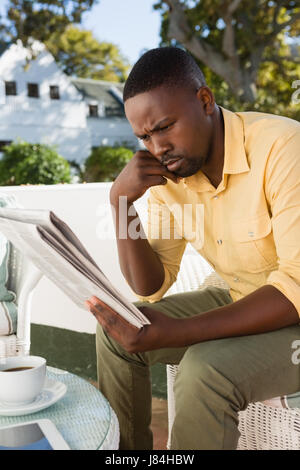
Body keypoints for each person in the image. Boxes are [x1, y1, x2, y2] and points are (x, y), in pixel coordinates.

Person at [85, 47, 300, 450]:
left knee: (204, 369)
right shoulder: (173, 176)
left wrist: (180, 331)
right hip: (242, 295)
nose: (157, 147)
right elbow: (150, 285)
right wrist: (120, 204)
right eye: (144, 137)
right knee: (118, 330)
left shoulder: (283, 147)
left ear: (205, 100)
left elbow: (294, 289)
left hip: (294, 313)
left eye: (165, 127)